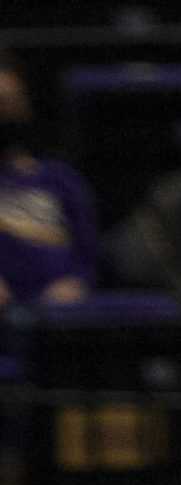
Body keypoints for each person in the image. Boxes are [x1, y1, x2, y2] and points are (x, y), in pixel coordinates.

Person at [0, 54, 98, 311]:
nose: (6, 115)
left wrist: (77, 282)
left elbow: (88, 253)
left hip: (60, 310)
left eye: (12, 103)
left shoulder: (60, 178)